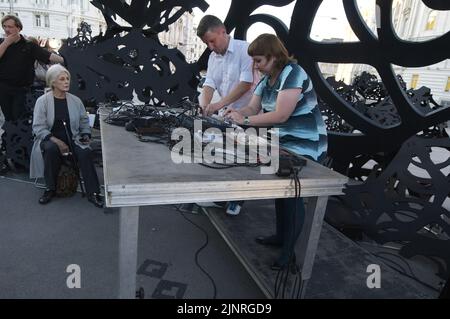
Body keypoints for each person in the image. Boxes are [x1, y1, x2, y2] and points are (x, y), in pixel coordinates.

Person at [225, 33, 328, 270]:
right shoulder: (266, 79)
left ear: (273, 57)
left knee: (293, 197)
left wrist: (247, 120)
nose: (255, 66)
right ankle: (281, 238)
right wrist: (238, 114)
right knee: (282, 193)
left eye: (259, 60)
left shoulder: (294, 73)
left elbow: (281, 115)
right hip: (283, 142)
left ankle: (289, 252)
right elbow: (253, 106)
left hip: (307, 144)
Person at [196, 15, 256, 215]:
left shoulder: (245, 50)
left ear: (223, 31)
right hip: (226, 114)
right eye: (206, 43)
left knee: (243, 161)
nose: (211, 47)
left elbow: (245, 84)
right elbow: (209, 84)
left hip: (249, 114)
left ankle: (236, 200)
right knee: (224, 154)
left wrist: (218, 104)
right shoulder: (213, 57)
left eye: (212, 41)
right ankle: (221, 197)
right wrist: (205, 106)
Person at [29, 64, 103, 208]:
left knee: (85, 152)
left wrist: (86, 134)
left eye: (67, 78)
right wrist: (57, 142)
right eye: (62, 79)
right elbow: (38, 127)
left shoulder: (76, 100)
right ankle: (50, 189)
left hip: (73, 138)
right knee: (50, 149)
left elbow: (83, 120)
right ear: (53, 82)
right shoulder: (42, 101)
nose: (66, 81)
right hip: (49, 139)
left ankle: (93, 192)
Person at [0, 15, 64, 171]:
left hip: (21, 90)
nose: (7, 30)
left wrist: (64, 59)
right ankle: (9, 153)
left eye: (10, 26)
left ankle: (19, 157)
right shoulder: (2, 43)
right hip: (3, 89)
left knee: (19, 120)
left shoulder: (29, 46)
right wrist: (6, 43)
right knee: (8, 121)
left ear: (18, 27)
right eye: (5, 27)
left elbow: (50, 57)